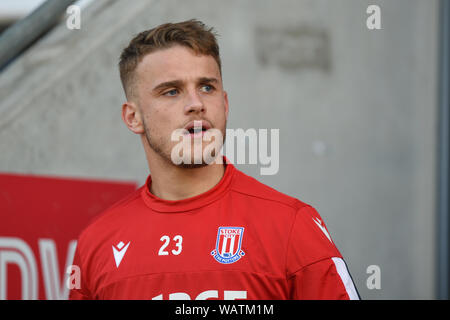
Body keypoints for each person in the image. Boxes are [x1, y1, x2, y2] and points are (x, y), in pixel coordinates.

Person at [69, 19, 359, 300]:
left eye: (207, 87)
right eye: (171, 91)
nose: (196, 104)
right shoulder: (97, 243)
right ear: (133, 117)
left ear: (225, 103)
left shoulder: (293, 225)